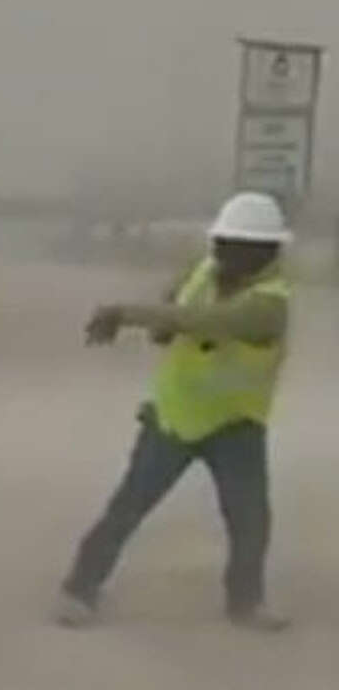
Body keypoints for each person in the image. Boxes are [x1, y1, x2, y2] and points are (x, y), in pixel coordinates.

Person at [54, 191, 293, 631]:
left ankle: (246, 602)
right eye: (221, 243)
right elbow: (174, 311)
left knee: (249, 518)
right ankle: (79, 589)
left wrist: (126, 314)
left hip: (236, 423)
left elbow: (211, 322)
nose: (222, 253)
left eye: (236, 246)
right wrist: (160, 325)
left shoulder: (270, 303)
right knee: (128, 507)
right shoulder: (203, 270)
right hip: (174, 413)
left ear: (266, 252)